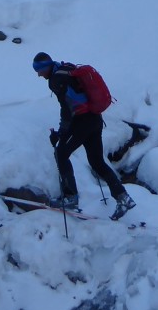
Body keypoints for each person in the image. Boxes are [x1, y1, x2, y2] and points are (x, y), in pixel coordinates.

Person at [32, 52, 136, 221]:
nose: (38, 74)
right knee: (97, 162)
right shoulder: (65, 69)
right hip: (95, 119)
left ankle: (70, 198)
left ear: (47, 66)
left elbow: (67, 108)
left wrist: (61, 133)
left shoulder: (57, 79)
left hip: (82, 121)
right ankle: (123, 198)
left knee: (61, 153)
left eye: (40, 70)